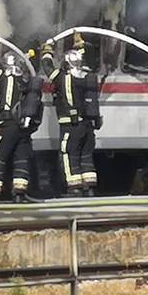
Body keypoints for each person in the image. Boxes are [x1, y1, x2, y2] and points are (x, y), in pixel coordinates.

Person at [41, 34, 102, 196]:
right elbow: (83, 60)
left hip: (70, 125)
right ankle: (89, 188)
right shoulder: (88, 77)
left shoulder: (62, 78)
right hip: (88, 125)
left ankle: (74, 188)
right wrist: (79, 46)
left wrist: (47, 50)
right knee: (86, 155)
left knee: (69, 154)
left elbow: (47, 66)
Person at [0, 33, 38, 203]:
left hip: (6, 124)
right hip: (23, 128)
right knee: (21, 159)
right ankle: (19, 194)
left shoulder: (2, 77)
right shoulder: (27, 80)